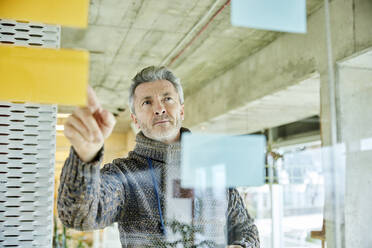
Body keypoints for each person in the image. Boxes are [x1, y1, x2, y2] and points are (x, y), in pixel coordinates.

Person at [57, 66, 260, 248]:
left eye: (167, 98)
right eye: (147, 102)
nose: (159, 108)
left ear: (181, 110)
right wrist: (85, 157)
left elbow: (245, 228)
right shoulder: (123, 175)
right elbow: (78, 215)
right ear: (135, 119)